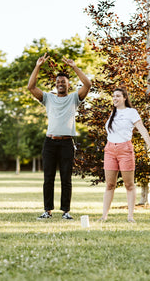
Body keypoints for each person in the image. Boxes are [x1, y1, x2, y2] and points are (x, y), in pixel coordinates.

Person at [28, 53, 92, 220]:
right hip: (50, 142)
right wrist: (38, 66)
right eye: (58, 83)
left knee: (66, 178)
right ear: (55, 86)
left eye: (63, 82)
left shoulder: (73, 99)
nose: (60, 84)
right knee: (48, 178)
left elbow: (88, 84)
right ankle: (47, 211)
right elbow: (31, 87)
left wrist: (74, 67)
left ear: (68, 85)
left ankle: (66, 211)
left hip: (66, 143)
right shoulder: (48, 98)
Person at [99, 88, 150, 223]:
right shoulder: (113, 113)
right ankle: (104, 216)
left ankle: (130, 217)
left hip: (125, 150)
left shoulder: (131, 112)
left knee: (129, 184)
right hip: (110, 149)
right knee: (109, 184)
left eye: (118, 96)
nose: (115, 98)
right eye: (113, 96)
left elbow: (142, 130)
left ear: (125, 97)